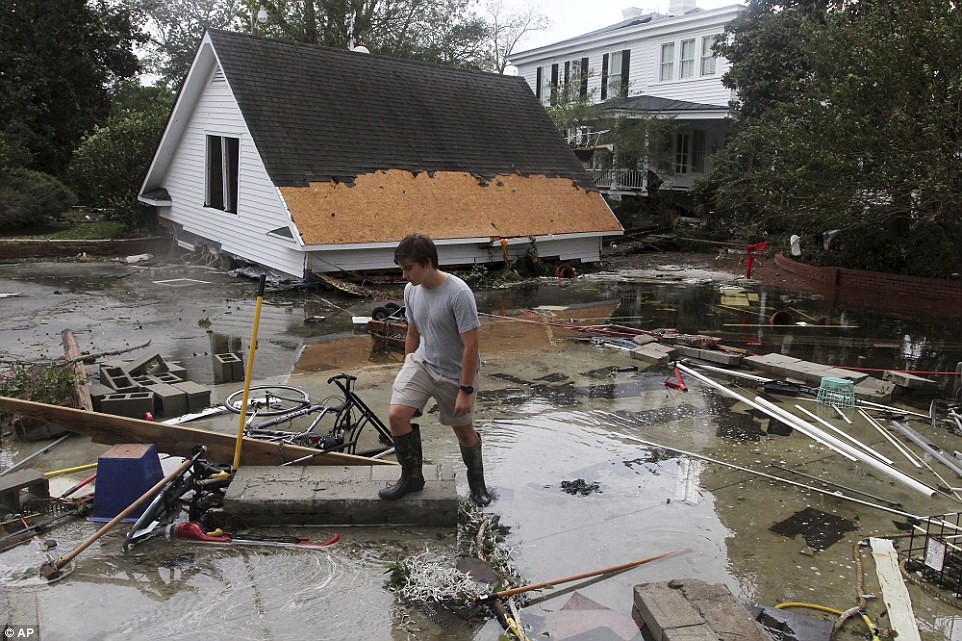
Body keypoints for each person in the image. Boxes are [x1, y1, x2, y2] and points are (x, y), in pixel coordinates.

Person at [378, 232, 492, 506]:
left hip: (456, 373)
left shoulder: (458, 293)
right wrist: (408, 365)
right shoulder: (410, 290)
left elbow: (471, 345)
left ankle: (477, 483)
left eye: (408, 269)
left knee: (463, 432)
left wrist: (465, 390)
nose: (404, 276)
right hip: (423, 363)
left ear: (427, 263)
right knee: (397, 415)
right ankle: (412, 478)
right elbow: (413, 333)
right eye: (402, 269)